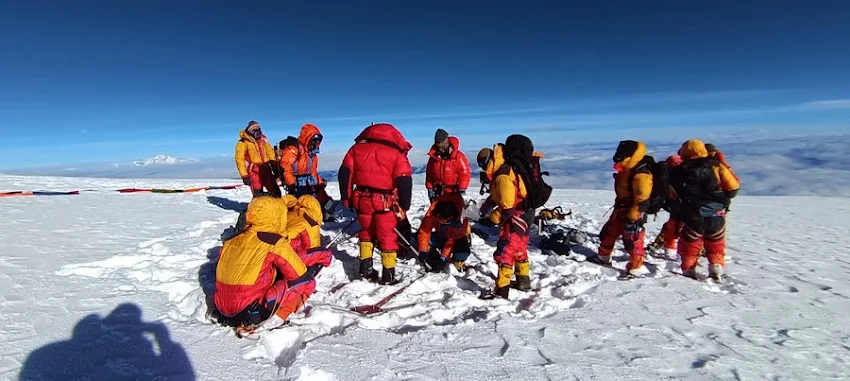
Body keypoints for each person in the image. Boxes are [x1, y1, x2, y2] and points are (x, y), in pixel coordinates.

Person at [212, 196, 325, 333]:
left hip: (221, 308)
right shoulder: (274, 241)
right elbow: (298, 273)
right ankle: (276, 318)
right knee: (307, 282)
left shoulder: (230, 241)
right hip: (251, 310)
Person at [338, 123, 413, 285]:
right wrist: (404, 205)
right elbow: (404, 180)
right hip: (384, 201)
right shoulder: (396, 153)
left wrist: (346, 198)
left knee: (366, 231)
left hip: (361, 198)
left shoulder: (355, 149)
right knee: (387, 236)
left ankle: (365, 268)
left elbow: (344, 174)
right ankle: (389, 274)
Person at [475, 135, 539, 298]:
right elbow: (500, 196)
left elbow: (508, 206)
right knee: (519, 248)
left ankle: (502, 290)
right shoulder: (503, 169)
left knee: (505, 251)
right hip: (525, 214)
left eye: (483, 164)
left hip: (516, 216)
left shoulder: (502, 175)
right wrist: (488, 204)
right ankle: (523, 281)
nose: (483, 168)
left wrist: (492, 219)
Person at [669, 139, 740, 282]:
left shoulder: (679, 171)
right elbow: (733, 188)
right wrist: (720, 199)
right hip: (717, 212)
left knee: (691, 243)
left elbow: (673, 195)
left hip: (693, 214)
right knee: (716, 242)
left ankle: (689, 270)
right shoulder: (716, 166)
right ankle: (716, 267)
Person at [594, 140, 653, 279]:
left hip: (634, 211)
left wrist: (634, 213)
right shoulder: (627, 170)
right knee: (608, 232)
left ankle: (635, 268)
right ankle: (603, 257)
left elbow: (642, 196)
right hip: (620, 208)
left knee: (632, 240)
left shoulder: (641, 173)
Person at [417, 192, 472, 273]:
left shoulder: (460, 219)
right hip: (440, 236)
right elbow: (424, 231)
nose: (443, 222)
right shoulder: (432, 214)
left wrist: (443, 258)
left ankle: (457, 260)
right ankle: (432, 252)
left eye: (446, 220)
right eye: (441, 220)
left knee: (463, 252)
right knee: (416, 239)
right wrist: (423, 250)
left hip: (456, 240)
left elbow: (451, 240)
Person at [283, 194, 333, 268]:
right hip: (286, 256)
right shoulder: (310, 224)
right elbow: (312, 248)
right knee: (324, 254)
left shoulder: (291, 213)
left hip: (276, 247)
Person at [235, 121, 281, 197]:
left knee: (275, 191)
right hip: (254, 171)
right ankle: (257, 207)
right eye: (255, 130)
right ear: (250, 131)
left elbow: (270, 153)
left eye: (259, 129)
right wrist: (244, 175)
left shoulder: (263, 140)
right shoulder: (243, 142)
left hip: (266, 168)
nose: (258, 131)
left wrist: (274, 167)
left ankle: (277, 206)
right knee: (258, 193)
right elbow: (239, 159)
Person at [425, 128, 472, 202]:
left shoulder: (458, 157)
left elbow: (465, 174)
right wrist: (430, 188)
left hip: (453, 192)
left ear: (446, 142)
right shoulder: (433, 158)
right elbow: (429, 173)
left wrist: (462, 189)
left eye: (442, 146)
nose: (440, 149)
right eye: (438, 147)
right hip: (437, 192)